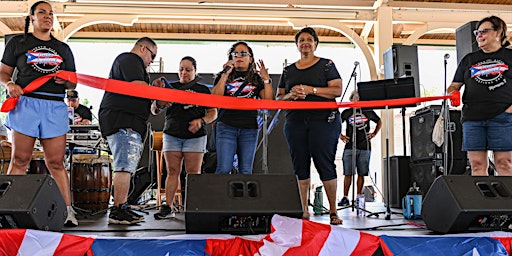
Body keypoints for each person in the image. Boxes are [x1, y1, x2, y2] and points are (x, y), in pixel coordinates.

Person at [0, 1, 78, 227]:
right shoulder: (18, 43)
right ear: (31, 18)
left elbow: (73, 80)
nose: (47, 16)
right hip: (26, 104)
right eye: (42, 12)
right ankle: (8, 212)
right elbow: (4, 72)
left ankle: (67, 211)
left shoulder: (63, 49)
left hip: (54, 106)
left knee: (55, 162)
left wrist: (67, 81)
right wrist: (9, 85)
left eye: (51, 13)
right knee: (20, 159)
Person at [276, 27, 343, 225]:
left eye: (309, 39)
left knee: (325, 163)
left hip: (324, 121)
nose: (305, 42)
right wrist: (292, 95)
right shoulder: (288, 70)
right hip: (295, 122)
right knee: (300, 165)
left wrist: (311, 90)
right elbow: (279, 97)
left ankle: (333, 211)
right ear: (297, 45)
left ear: (315, 43)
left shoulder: (326, 65)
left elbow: (337, 90)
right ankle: (303, 210)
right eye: (301, 40)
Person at [99, 37, 160, 225]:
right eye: (152, 55)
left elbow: (148, 101)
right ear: (143, 48)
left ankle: (122, 205)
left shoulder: (137, 68)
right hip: (123, 119)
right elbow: (138, 88)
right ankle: (118, 209)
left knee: (128, 164)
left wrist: (157, 96)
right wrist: (158, 92)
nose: (152, 61)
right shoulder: (130, 59)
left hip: (129, 120)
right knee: (124, 164)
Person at [152, 56, 217, 219]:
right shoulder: (170, 87)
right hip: (172, 134)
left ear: (195, 71)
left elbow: (213, 112)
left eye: (188, 70)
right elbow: (154, 109)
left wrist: (201, 121)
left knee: (193, 173)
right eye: (181, 69)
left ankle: (195, 206)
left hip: (195, 137)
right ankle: (167, 206)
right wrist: (159, 100)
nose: (184, 73)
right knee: (172, 171)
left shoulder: (202, 89)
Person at [447, 16, 512, 177]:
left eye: (484, 31)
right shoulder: (469, 59)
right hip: (473, 118)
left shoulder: (510, 56)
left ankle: (506, 203)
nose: (479, 36)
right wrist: (452, 94)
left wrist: (509, 110)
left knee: (504, 163)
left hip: (503, 117)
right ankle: (482, 203)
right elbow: (454, 85)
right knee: (476, 165)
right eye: (477, 32)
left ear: (499, 32)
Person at [211, 41, 274, 174]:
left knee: (246, 170)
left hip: (249, 127)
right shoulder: (223, 76)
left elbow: (268, 101)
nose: (239, 56)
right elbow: (215, 99)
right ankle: (220, 195)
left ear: (250, 59)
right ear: (231, 58)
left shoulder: (256, 78)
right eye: (235, 54)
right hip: (226, 125)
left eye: (243, 53)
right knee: (223, 168)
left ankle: (243, 196)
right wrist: (225, 74)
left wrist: (266, 80)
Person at [338, 91, 382, 206]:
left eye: (359, 98)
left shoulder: (367, 111)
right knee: (348, 173)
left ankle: (358, 197)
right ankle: (345, 197)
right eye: (354, 98)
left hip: (364, 147)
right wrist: (341, 136)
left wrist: (373, 134)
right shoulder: (347, 112)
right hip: (349, 147)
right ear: (351, 99)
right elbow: (336, 124)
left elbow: (379, 121)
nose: (356, 100)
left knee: (361, 173)